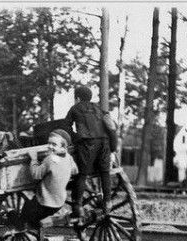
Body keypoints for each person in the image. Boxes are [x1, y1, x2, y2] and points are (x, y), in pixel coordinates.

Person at [63, 85, 117, 220]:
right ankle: (108, 202)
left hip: (88, 144)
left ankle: (78, 205)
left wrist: (74, 137)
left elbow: (66, 126)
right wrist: (112, 147)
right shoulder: (98, 108)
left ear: (77, 98)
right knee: (105, 173)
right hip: (104, 143)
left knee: (82, 174)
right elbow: (110, 125)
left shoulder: (75, 108)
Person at [15, 129, 78, 229]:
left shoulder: (49, 159)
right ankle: (39, 223)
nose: (50, 146)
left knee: (27, 207)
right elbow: (75, 170)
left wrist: (34, 159)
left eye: (53, 144)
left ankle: (21, 225)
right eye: (49, 143)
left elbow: (36, 174)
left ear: (63, 146)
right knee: (37, 215)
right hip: (59, 202)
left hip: (44, 203)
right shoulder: (69, 158)